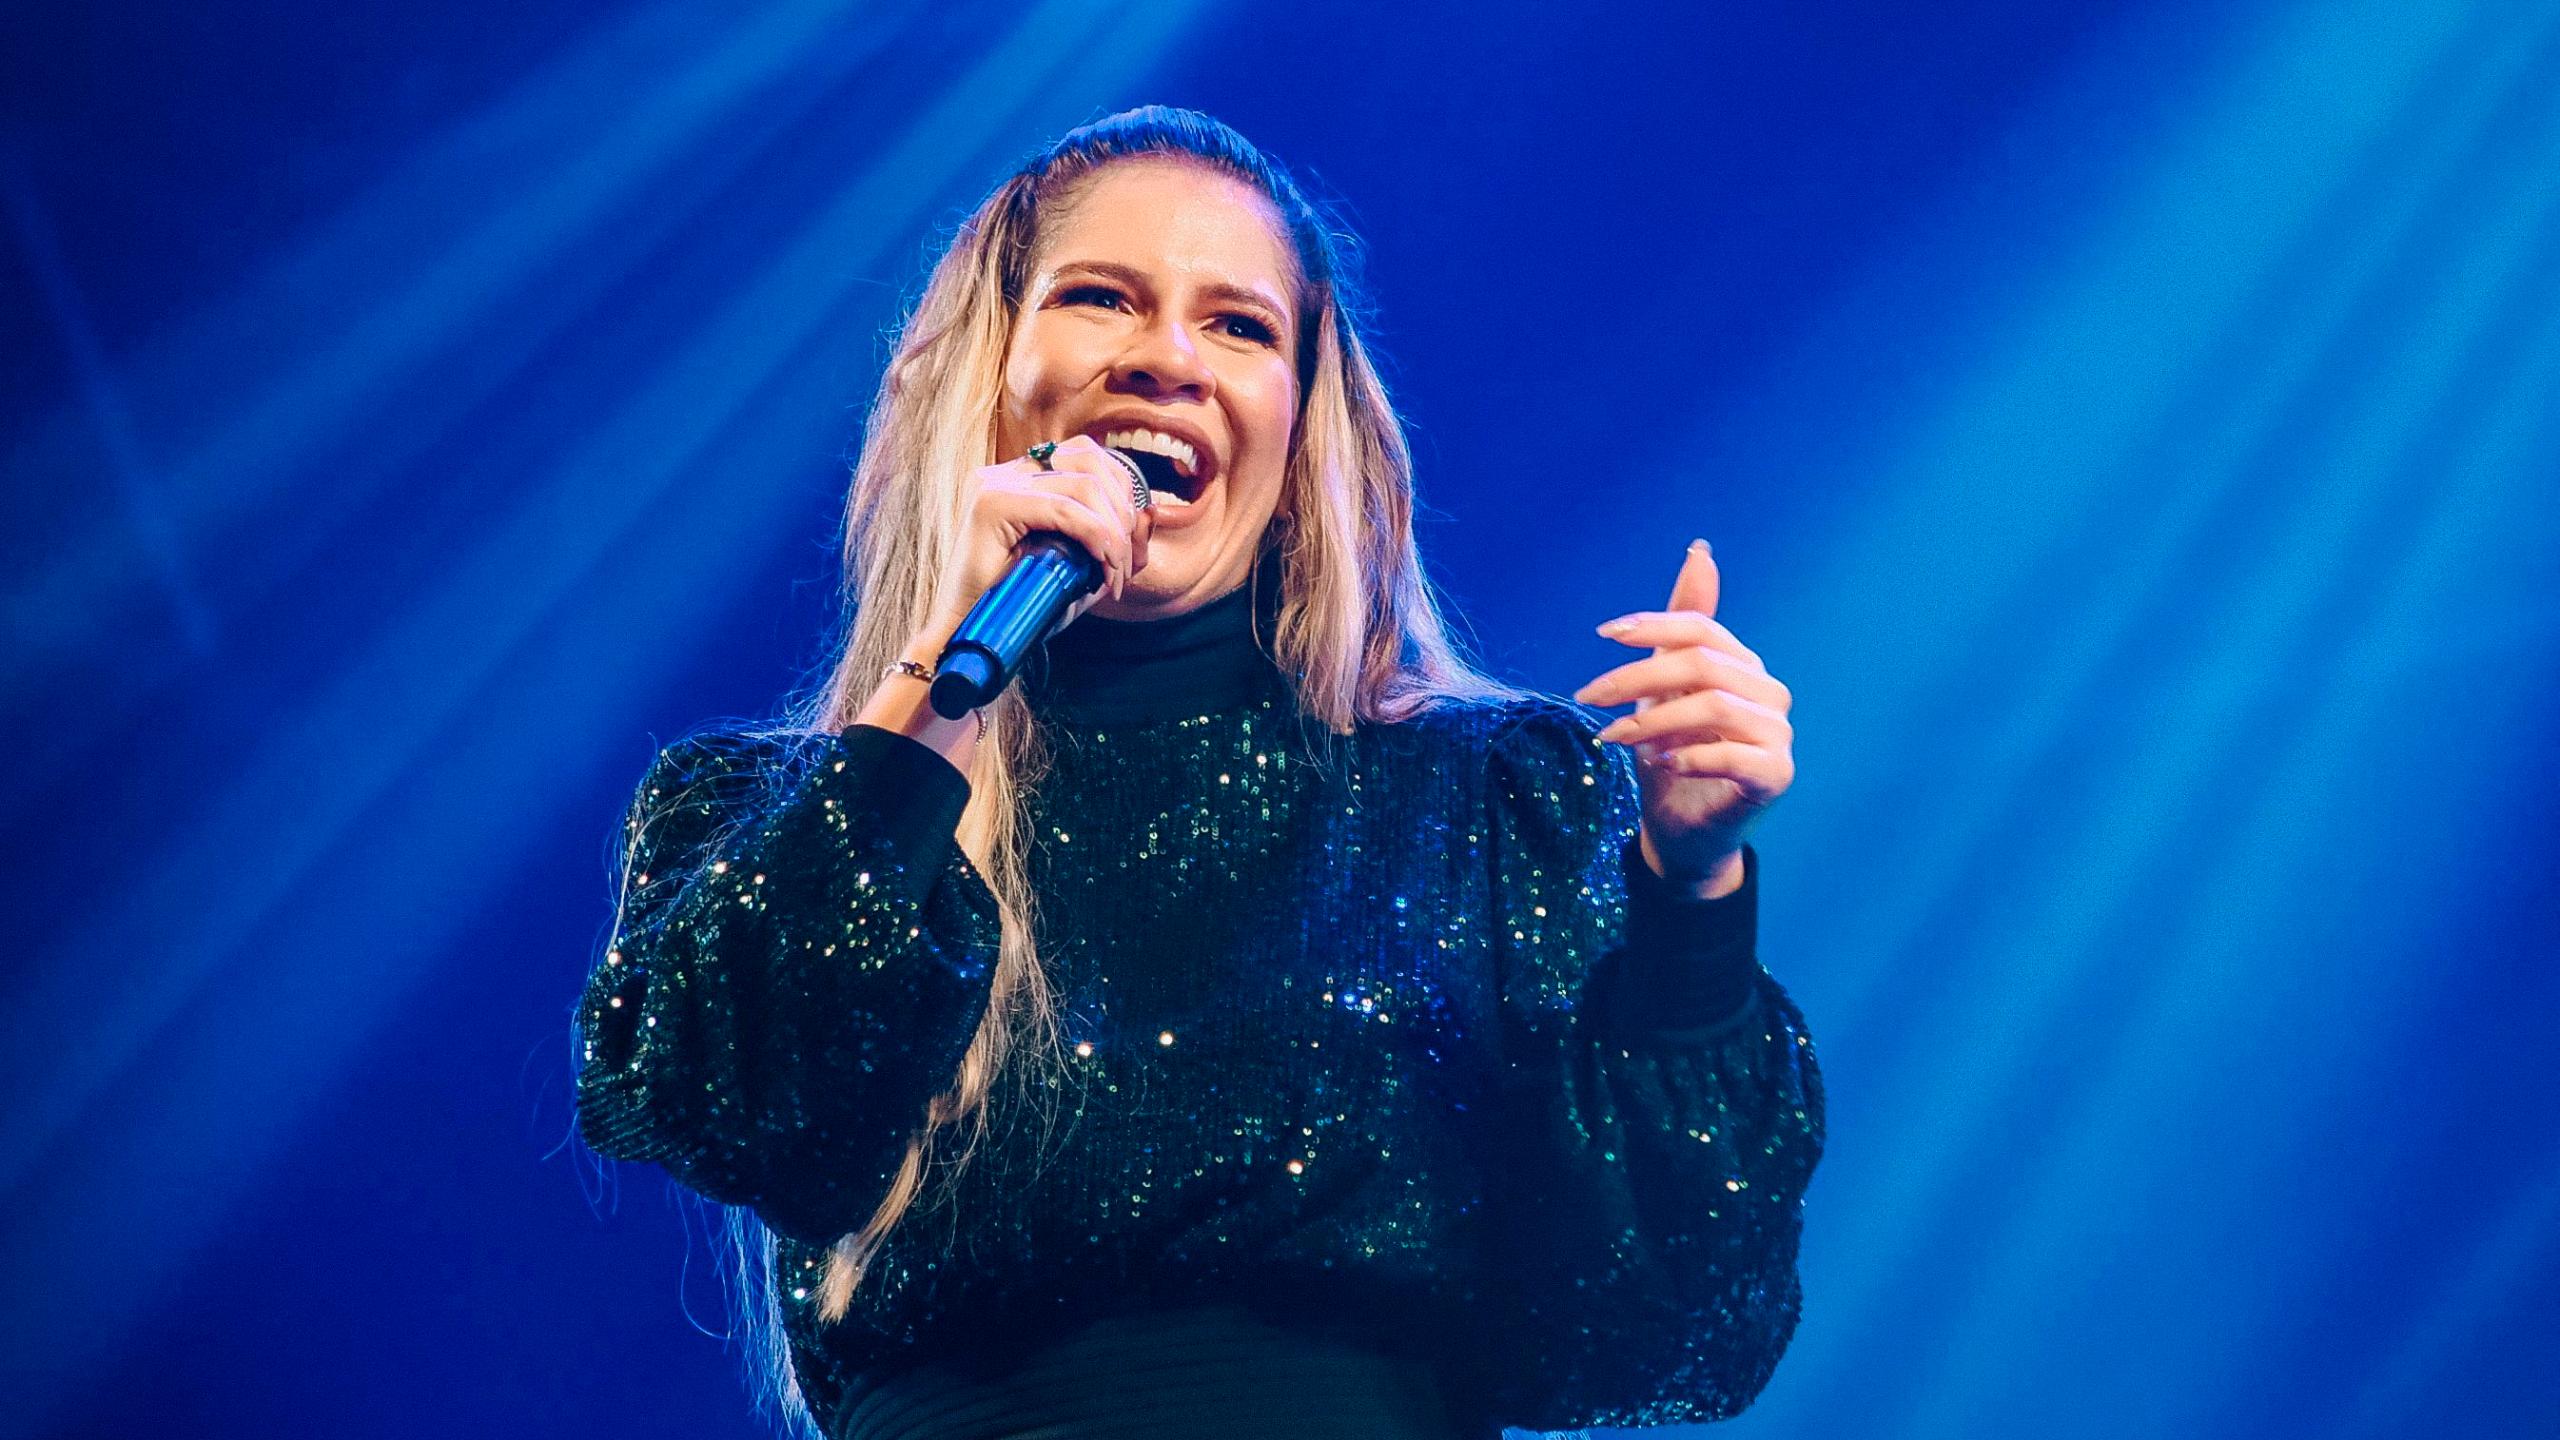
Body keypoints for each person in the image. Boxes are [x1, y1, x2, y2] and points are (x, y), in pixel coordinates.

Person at [575, 106, 1823, 1440]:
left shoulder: (1481, 804)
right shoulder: (772, 820)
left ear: (1300, 432)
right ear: (988, 373)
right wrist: (940, 672)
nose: (1166, 358)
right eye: (1103, 297)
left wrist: (1691, 894)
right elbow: (738, 1107)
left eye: (1237, 326)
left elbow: (1671, 1330)